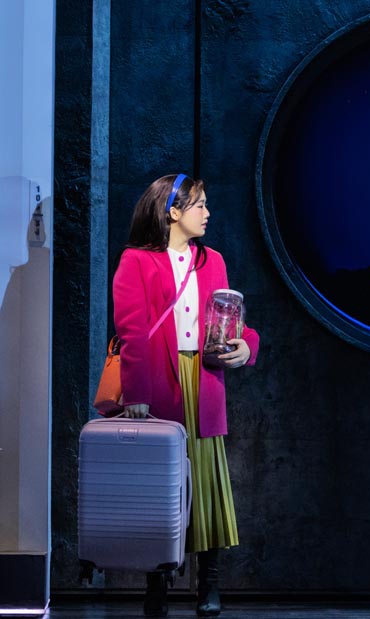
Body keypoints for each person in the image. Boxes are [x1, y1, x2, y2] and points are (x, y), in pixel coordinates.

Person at [113, 174, 260, 617]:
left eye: (206, 204)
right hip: (160, 379)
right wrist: (135, 391)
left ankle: (208, 585)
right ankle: (155, 586)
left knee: (209, 484)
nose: (206, 212)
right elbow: (132, 331)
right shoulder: (136, 261)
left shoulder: (211, 259)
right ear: (172, 211)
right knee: (160, 486)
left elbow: (229, 319)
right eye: (198, 205)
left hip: (204, 380)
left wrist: (246, 343)